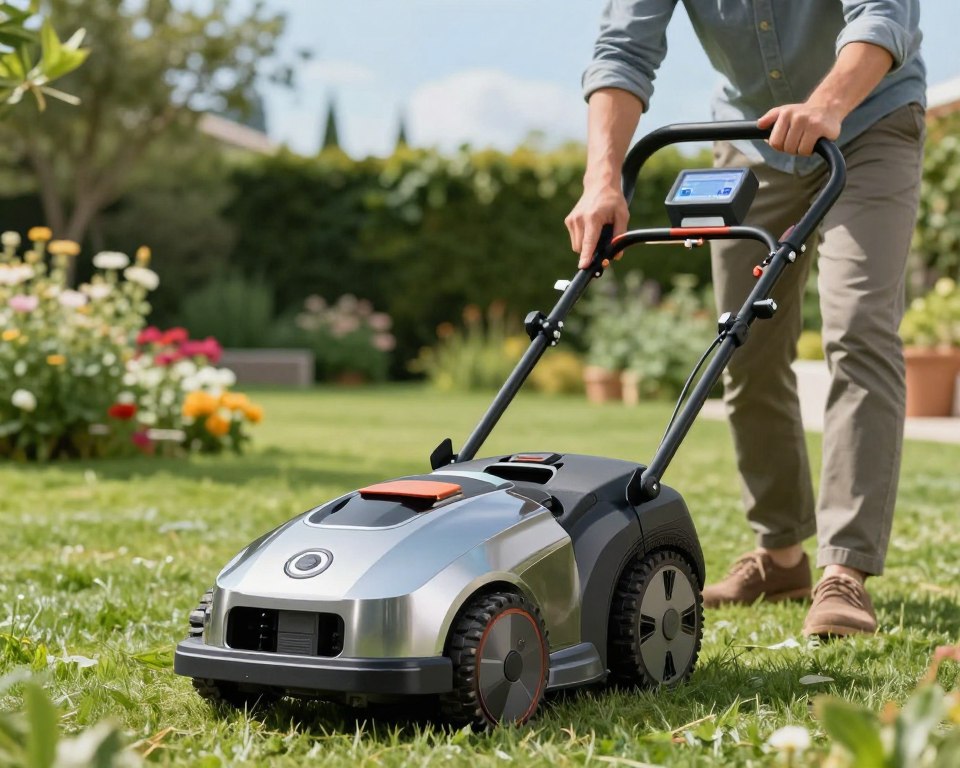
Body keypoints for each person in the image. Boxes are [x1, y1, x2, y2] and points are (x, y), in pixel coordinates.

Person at [566, 1, 925, 636]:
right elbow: (623, 50)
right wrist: (604, 181)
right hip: (752, 138)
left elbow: (884, 15)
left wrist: (828, 104)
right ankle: (781, 556)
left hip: (868, 119)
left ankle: (844, 571)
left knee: (858, 329)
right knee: (745, 344)